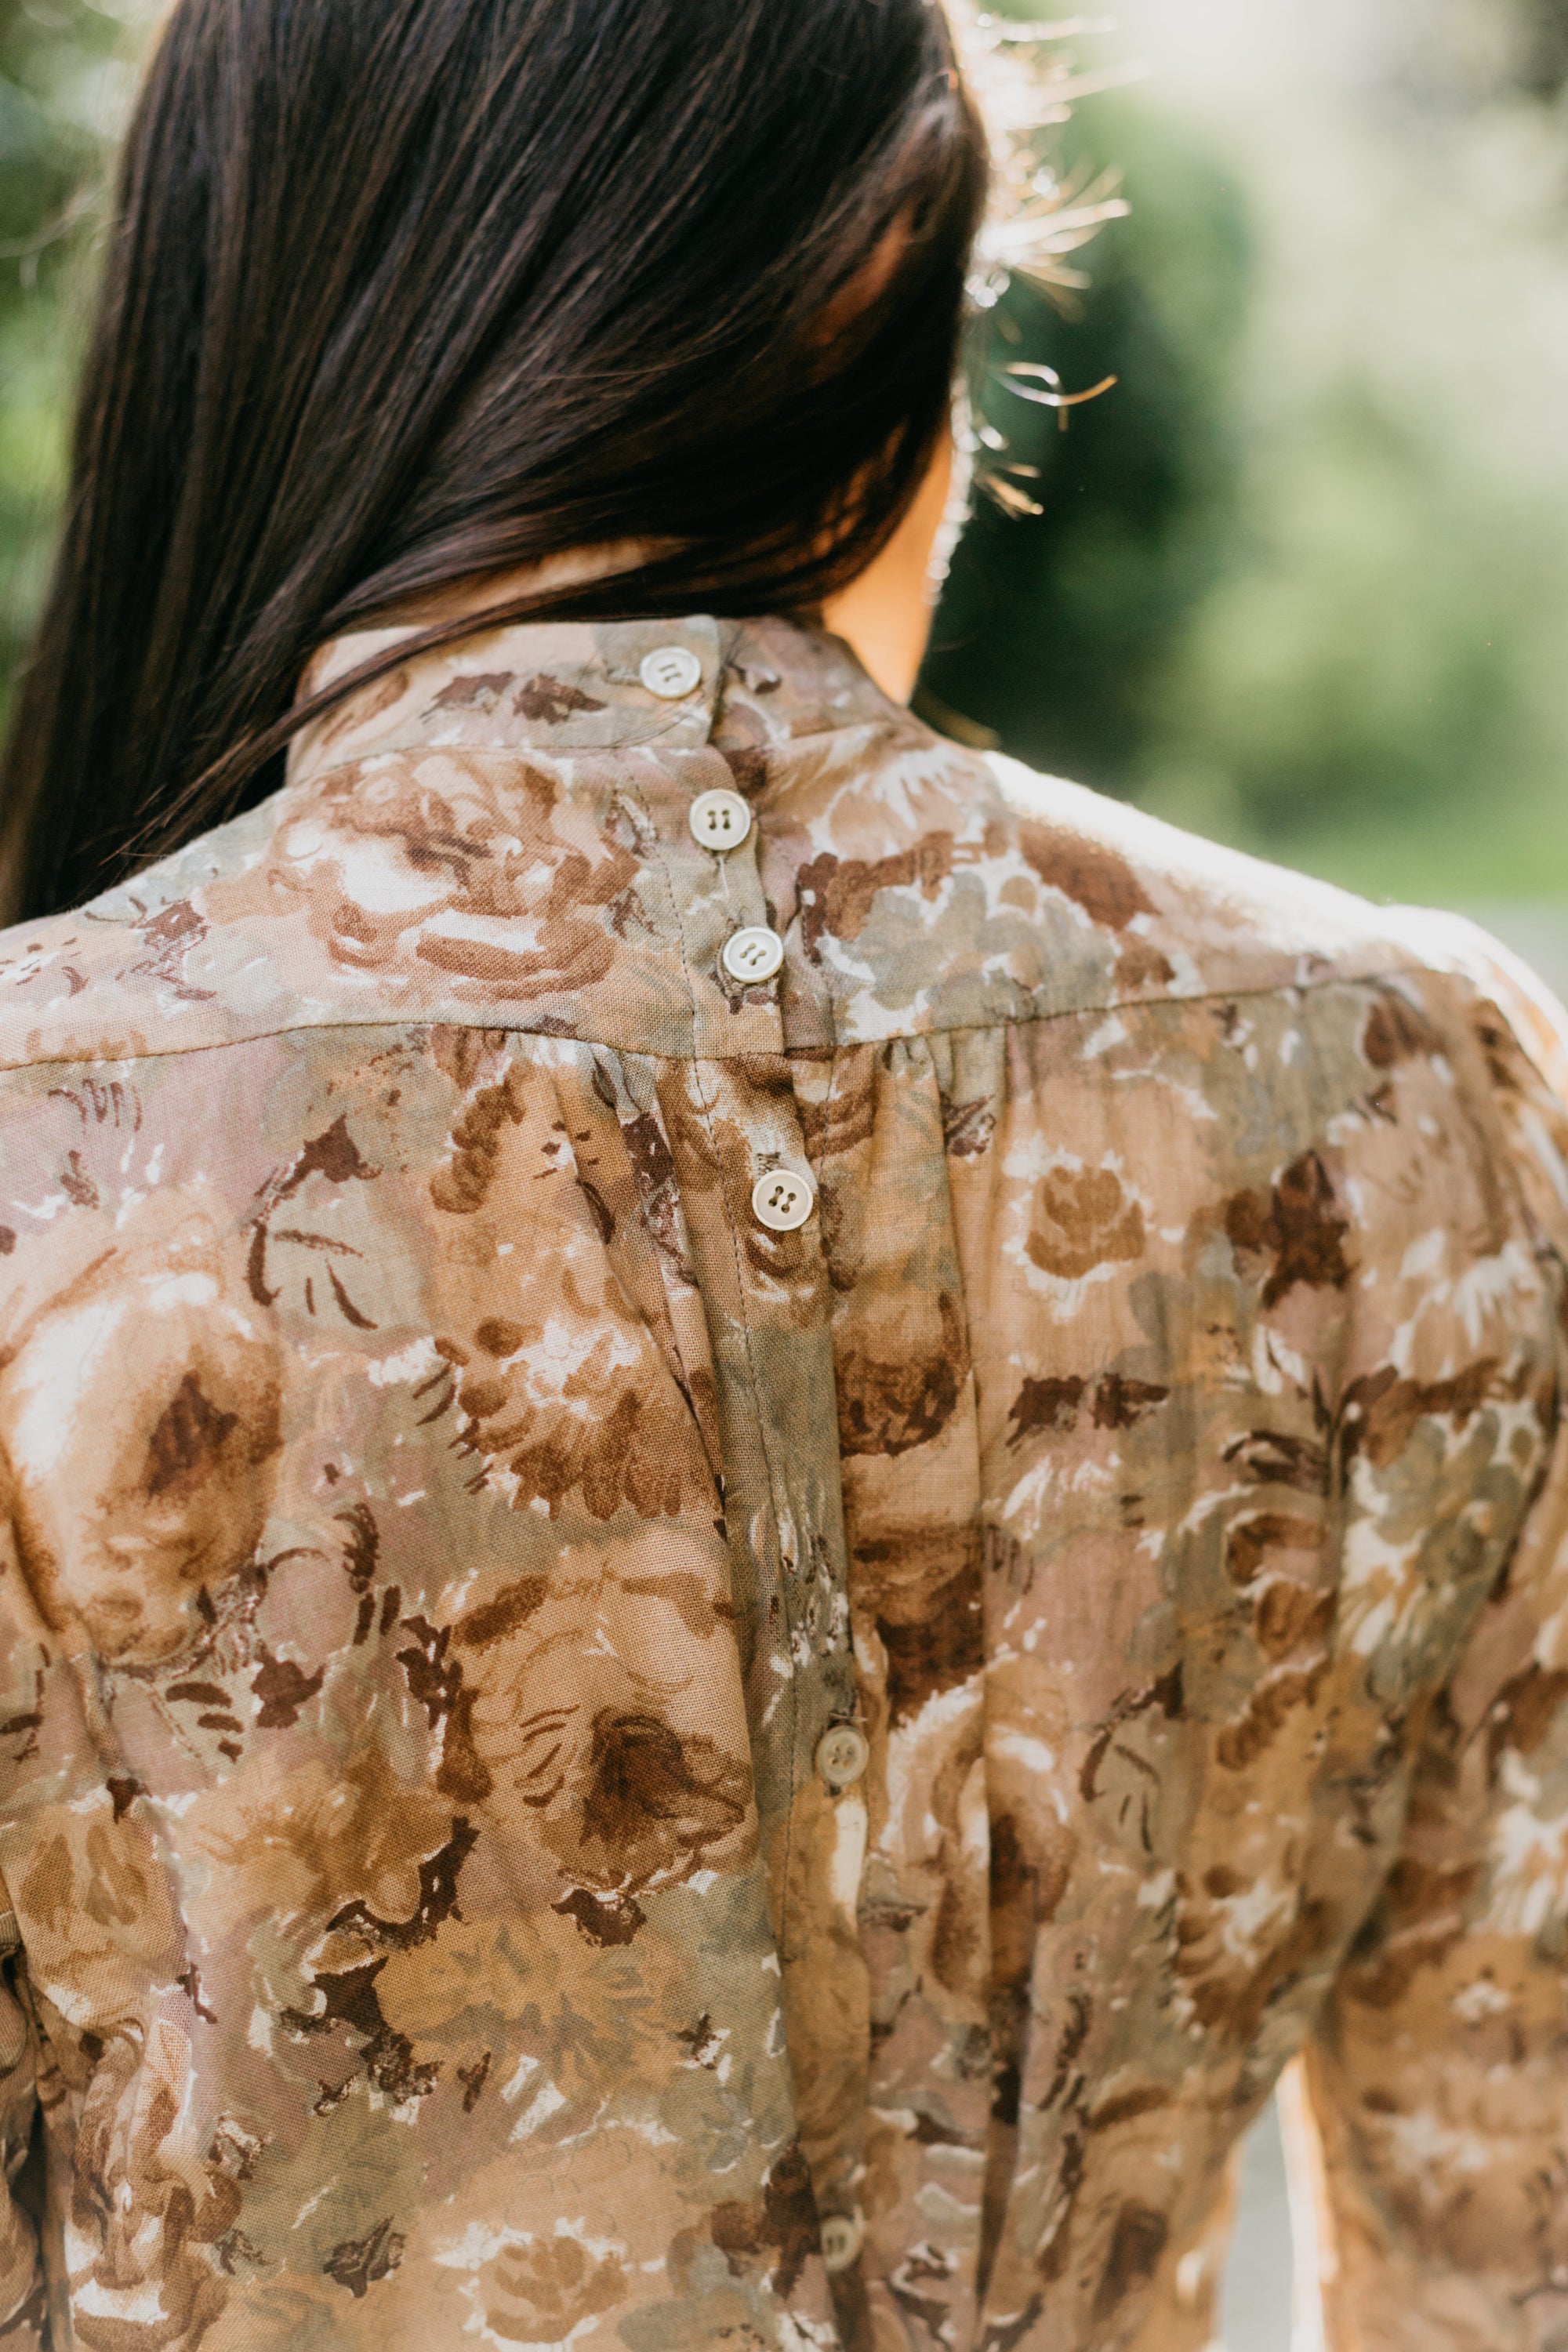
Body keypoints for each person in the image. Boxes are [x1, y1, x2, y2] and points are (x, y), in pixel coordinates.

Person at [0, 1, 1564, 2346]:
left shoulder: (40, 1130)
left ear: (257, 318)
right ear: (874, 326)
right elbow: (1506, 2259)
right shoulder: (1415, 1091)